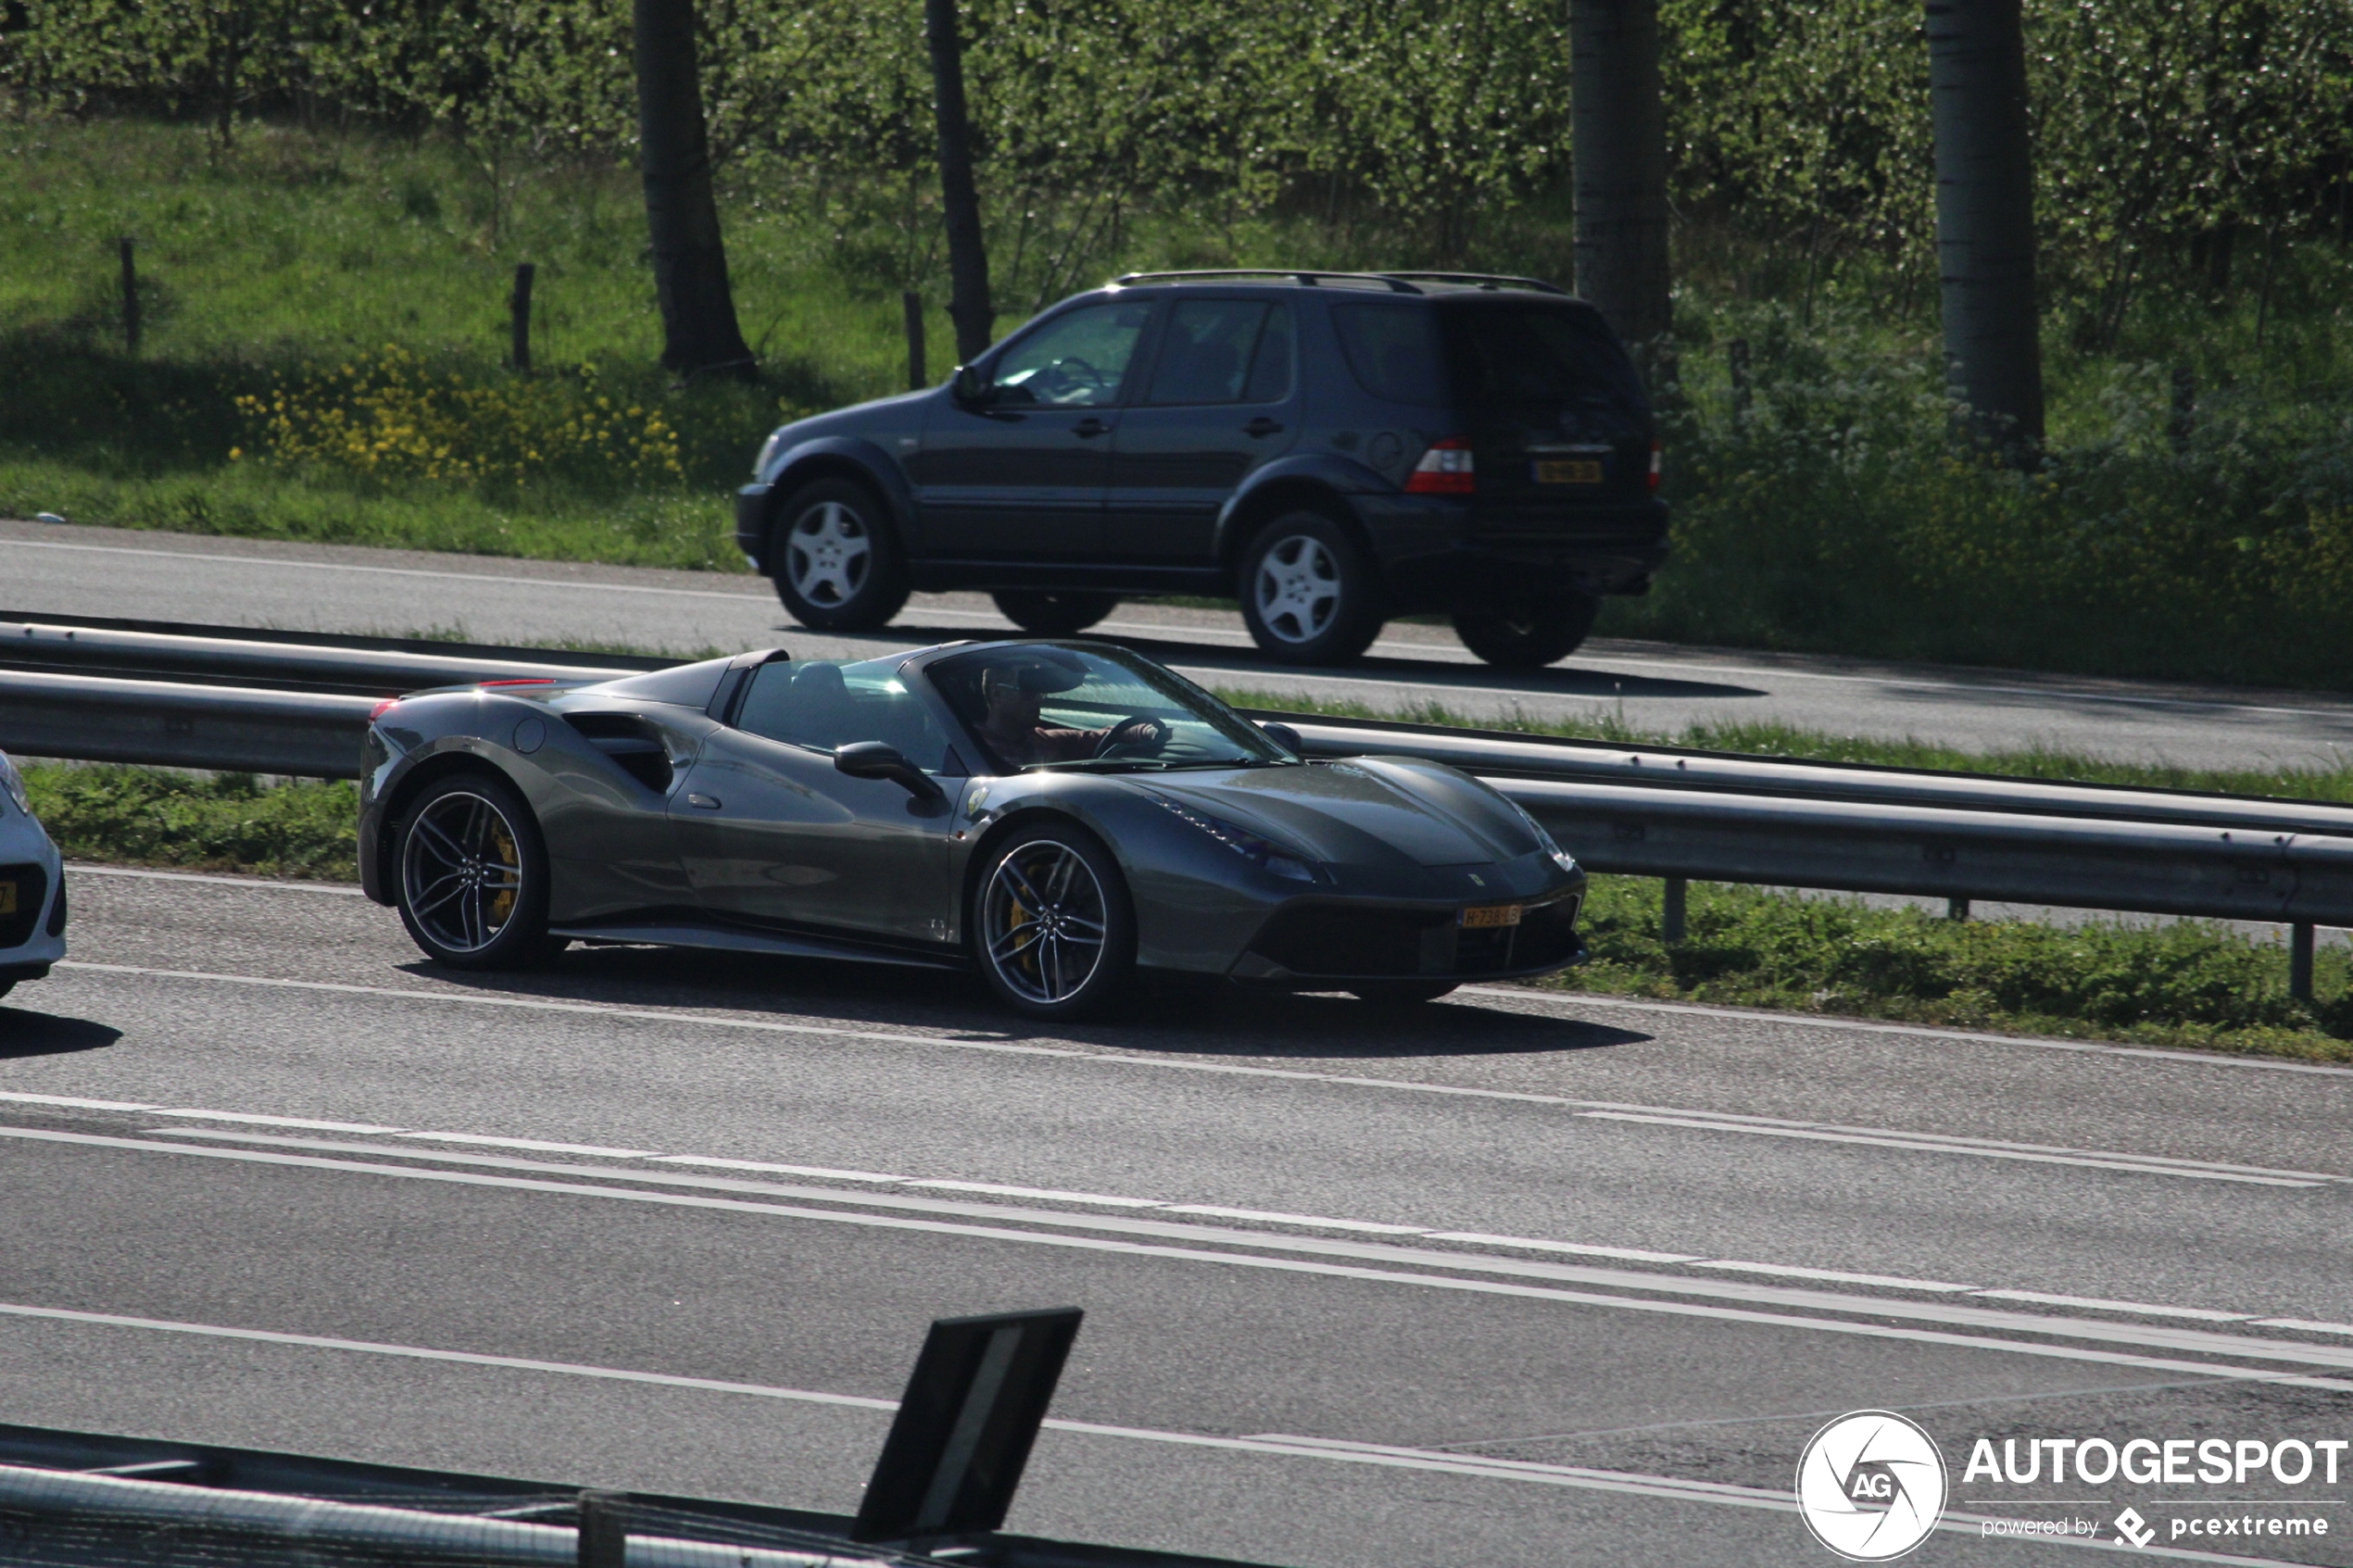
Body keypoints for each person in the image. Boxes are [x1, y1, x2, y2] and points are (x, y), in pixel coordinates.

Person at [972, 660, 1165, 769]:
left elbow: (1102, 738)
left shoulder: (1044, 740)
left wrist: (1149, 732)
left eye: (1041, 692)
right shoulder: (970, 749)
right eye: (1029, 692)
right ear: (998, 695)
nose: (1039, 699)